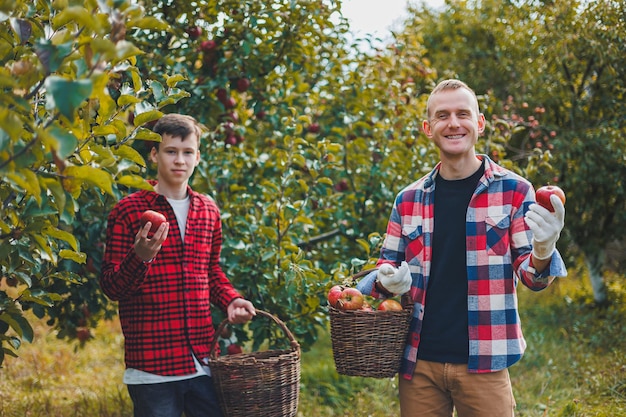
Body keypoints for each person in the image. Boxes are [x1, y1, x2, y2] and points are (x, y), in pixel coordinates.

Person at [356, 79, 566, 417]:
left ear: (479, 123)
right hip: (419, 362)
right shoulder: (407, 200)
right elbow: (382, 275)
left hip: (485, 361)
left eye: (462, 114)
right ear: (428, 128)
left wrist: (543, 249)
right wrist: (384, 282)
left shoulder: (515, 191)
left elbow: (533, 280)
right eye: (442, 115)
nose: (453, 123)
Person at [100, 113, 256, 417]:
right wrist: (140, 258)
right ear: (154, 155)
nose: (179, 160)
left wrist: (232, 300)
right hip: (152, 364)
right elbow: (111, 286)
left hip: (202, 360)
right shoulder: (129, 211)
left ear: (197, 156)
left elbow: (210, 272)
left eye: (187, 152)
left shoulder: (208, 210)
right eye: (171, 151)